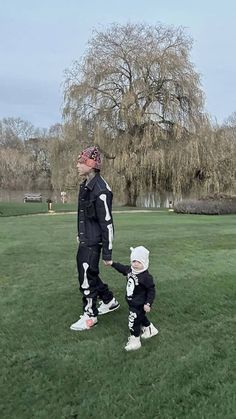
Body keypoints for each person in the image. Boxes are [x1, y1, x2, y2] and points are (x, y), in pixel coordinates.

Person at [70, 146, 120, 331]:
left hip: (93, 242)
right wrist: (80, 233)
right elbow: (84, 214)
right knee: (89, 272)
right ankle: (109, 301)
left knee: (85, 275)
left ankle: (90, 315)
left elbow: (107, 223)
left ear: (91, 165)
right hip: (85, 239)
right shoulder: (86, 185)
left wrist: (107, 253)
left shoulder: (101, 191)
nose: (77, 165)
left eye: (81, 162)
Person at [105, 246, 158, 351]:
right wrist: (112, 263)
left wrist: (148, 303)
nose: (135, 264)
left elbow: (151, 291)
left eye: (139, 262)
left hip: (140, 303)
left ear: (144, 262)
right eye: (133, 261)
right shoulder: (130, 270)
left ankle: (135, 340)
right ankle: (150, 329)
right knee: (141, 317)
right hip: (132, 302)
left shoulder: (146, 277)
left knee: (133, 321)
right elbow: (122, 268)